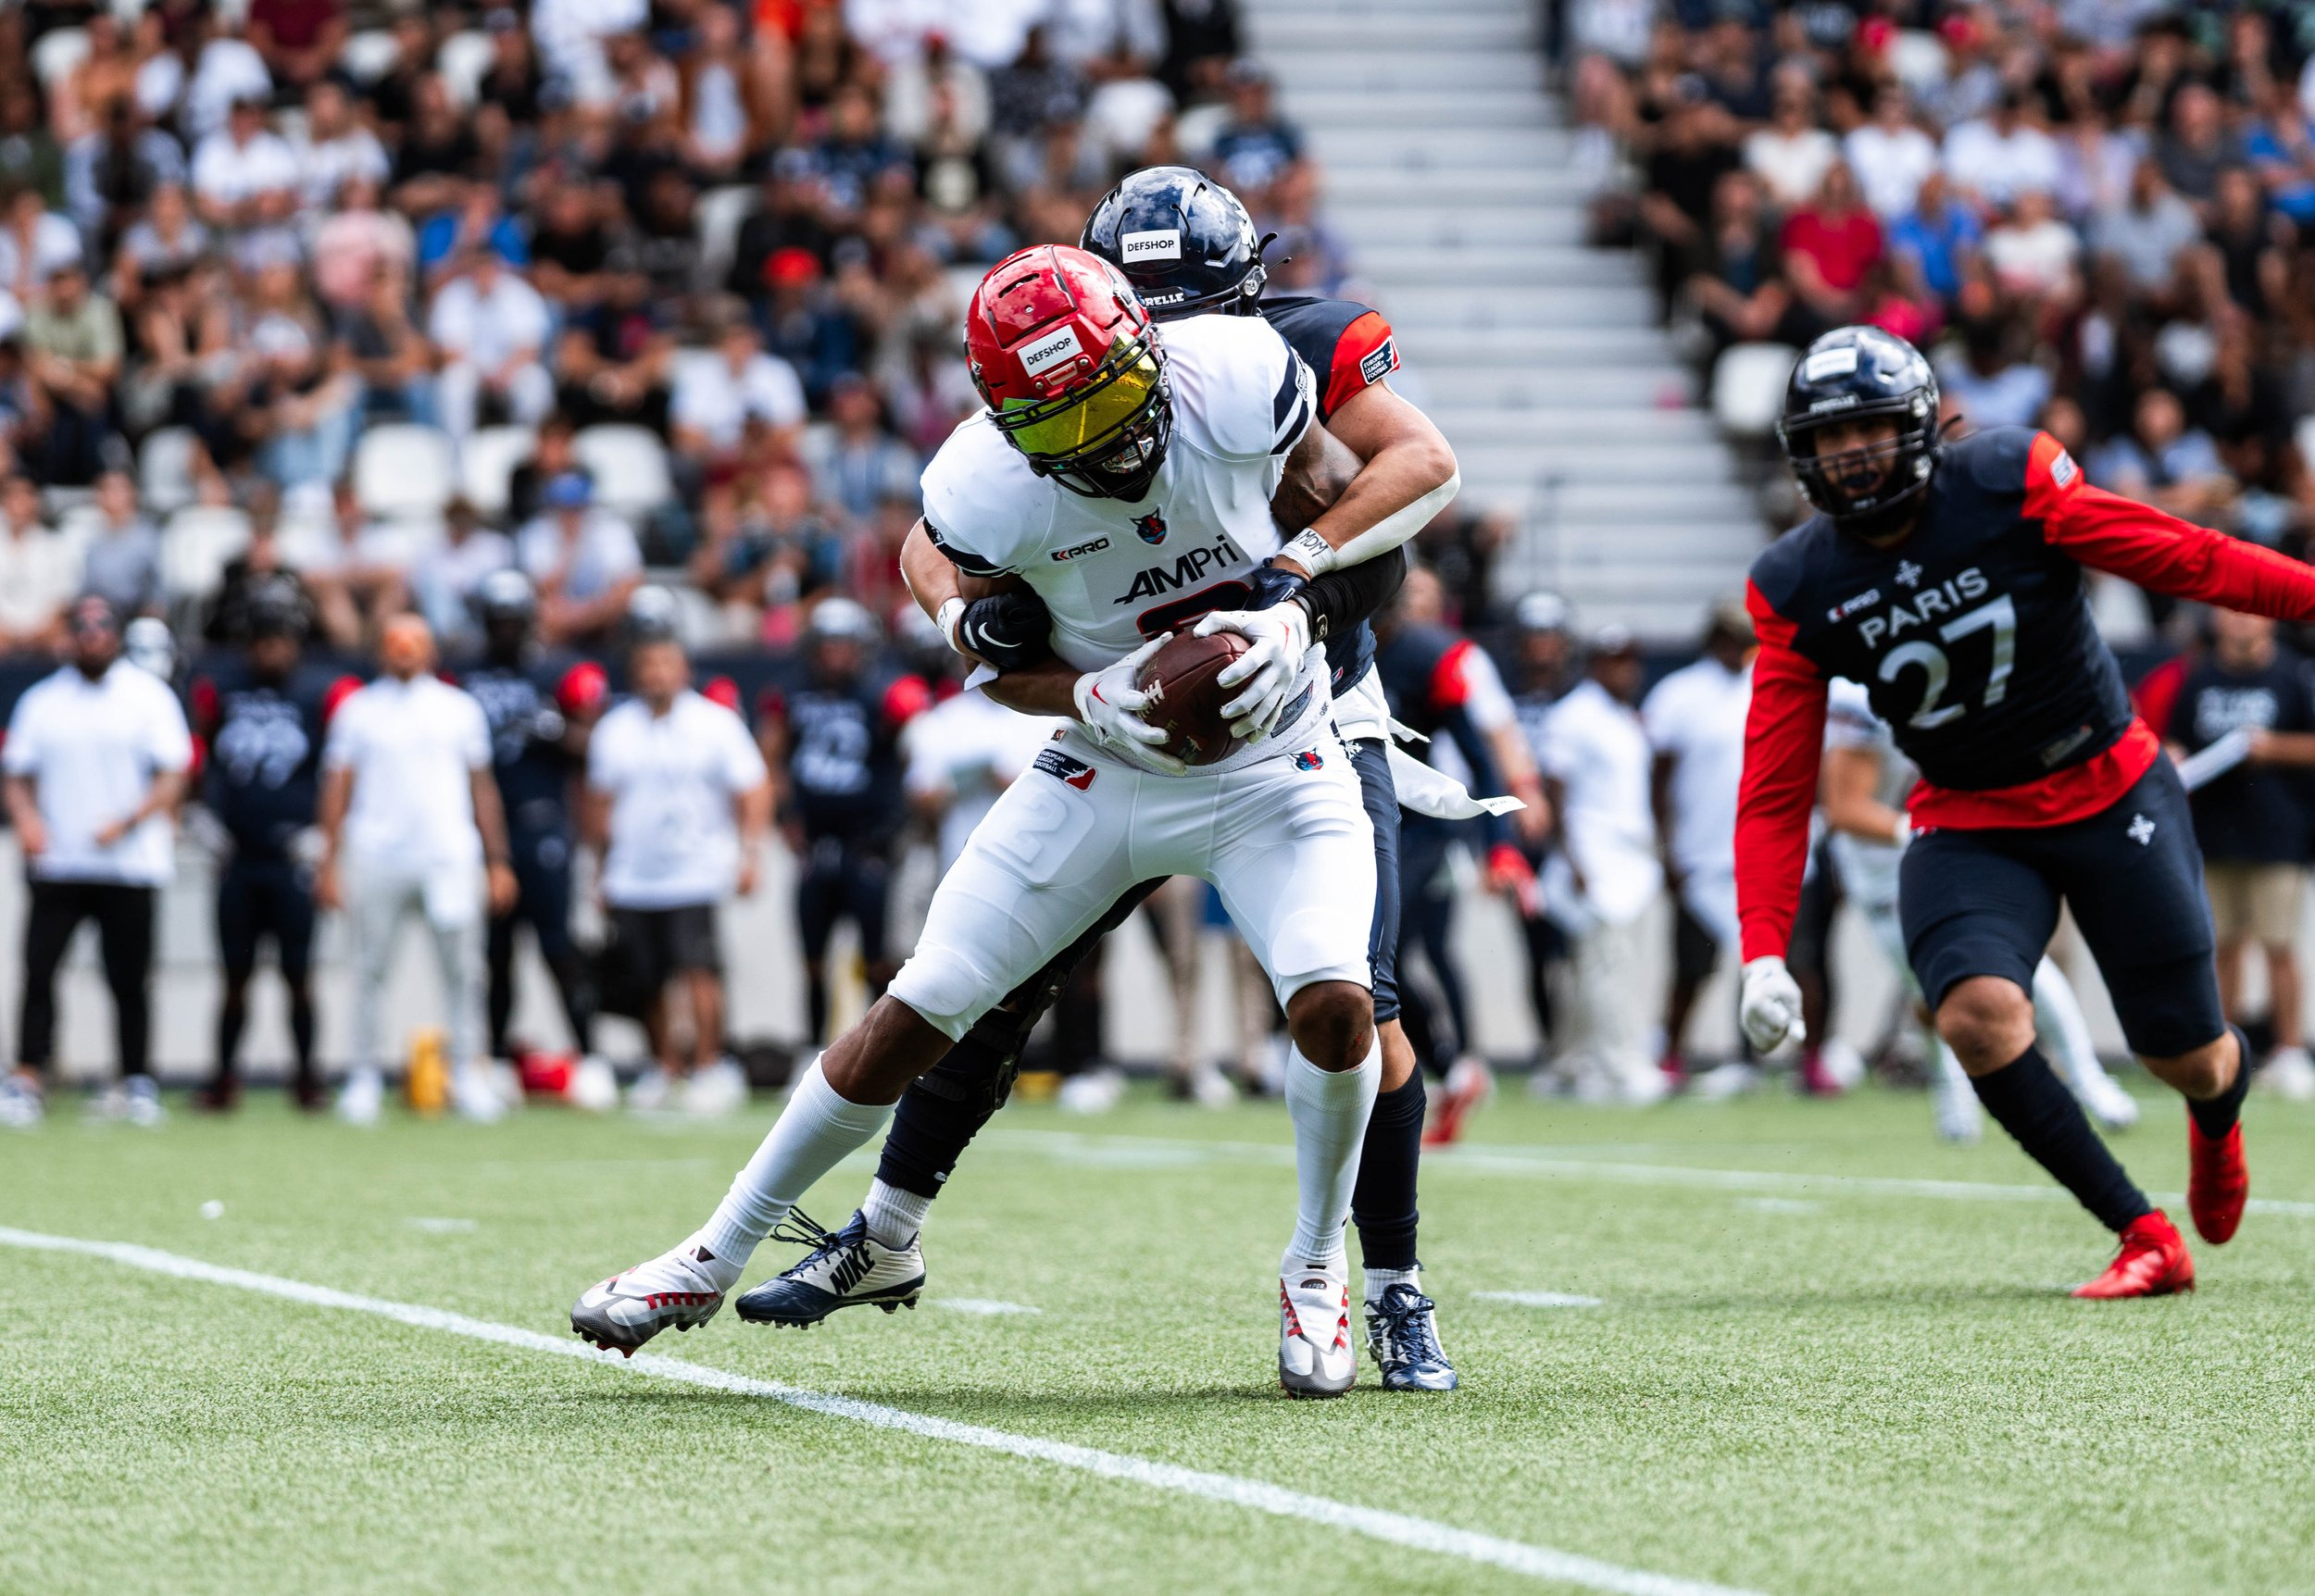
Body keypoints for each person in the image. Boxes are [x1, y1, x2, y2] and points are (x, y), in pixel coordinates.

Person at [571, 239, 1431, 1400]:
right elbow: (990, 663)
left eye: (1117, 403)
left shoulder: (1235, 373)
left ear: (1149, 347)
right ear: (1008, 423)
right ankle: (709, 1253)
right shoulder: (982, 489)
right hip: (1107, 763)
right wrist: (1080, 689)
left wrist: (1299, 599)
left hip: (1284, 757)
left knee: (1336, 1003)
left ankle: (1317, 1265)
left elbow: (1387, 523)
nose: (1105, 443)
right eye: (1063, 428)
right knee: (916, 1009)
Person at [1736, 325, 2315, 1300]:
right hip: (1969, 814)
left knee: (2186, 1054)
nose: (1854, 455)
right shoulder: (1798, 584)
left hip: (2107, 783)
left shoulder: (2008, 478)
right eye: (1832, 439)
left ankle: (2218, 1107)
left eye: (1870, 428)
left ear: (1920, 423)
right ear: (1802, 455)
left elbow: (2188, 559)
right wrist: (1762, 945)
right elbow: (1776, 784)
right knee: (1973, 1012)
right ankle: (2140, 1230)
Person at [1819, 678, 2140, 1142]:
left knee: (2015, 958)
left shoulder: (1977, 684)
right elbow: (1845, 810)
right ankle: (1953, 1090)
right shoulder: (1864, 703)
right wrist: (1929, 832)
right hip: (1886, 871)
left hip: (1956, 847)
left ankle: (2088, 1078)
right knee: (1930, 991)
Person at [317, 613, 519, 1126]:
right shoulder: (357, 710)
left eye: (414, 642)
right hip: (377, 855)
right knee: (367, 970)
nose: (404, 650)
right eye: (394, 641)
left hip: (447, 857)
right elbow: (337, 788)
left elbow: (482, 787)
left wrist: (497, 861)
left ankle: (467, 1076)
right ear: (381, 649)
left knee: (463, 972)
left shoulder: (459, 709)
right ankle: (363, 1076)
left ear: (431, 650)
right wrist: (328, 861)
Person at [0, 597, 193, 1128]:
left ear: (116, 635)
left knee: (128, 977)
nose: (92, 636)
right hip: (60, 863)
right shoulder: (43, 702)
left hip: (128, 864)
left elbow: (174, 774)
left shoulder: (147, 696)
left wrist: (130, 821)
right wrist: (28, 822)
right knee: (40, 972)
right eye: (81, 627)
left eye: (101, 627)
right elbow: (17, 774)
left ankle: (134, 1079)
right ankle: (27, 1076)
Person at [583, 609, 770, 1116]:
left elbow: (752, 789)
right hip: (634, 874)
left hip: (696, 869)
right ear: (636, 670)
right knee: (648, 978)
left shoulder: (716, 723)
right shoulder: (615, 729)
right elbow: (598, 805)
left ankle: (710, 1066)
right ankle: (664, 1067)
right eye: (649, 664)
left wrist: (749, 853)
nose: (658, 674)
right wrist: (598, 870)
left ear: (683, 668)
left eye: (667, 663)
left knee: (699, 970)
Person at [191, 578, 332, 1112]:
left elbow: (336, 770)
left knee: (300, 974)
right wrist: (201, 820)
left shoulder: (316, 692)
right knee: (233, 975)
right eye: (263, 637)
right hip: (238, 857)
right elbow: (197, 763)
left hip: (292, 856)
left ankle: (306, 1077)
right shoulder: (222, 689)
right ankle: (224, 1077)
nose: (273, 648)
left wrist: (324, 834)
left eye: (281, 637)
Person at [2164, 609, 2315, 1102]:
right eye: (2231, 614)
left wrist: (2271, 749)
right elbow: (2175, 738)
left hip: (2278, 837)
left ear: (2269, 622)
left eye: (2250, 614)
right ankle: (2222, 1048)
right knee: (2221, 947)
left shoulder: (2294, 673)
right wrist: (2173, 755)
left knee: (2279, 947)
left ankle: (2289, 1053)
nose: (2241, 623)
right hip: (2212, 834)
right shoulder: (2199, 674)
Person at [460, 570, 607, 1070]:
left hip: (541, 824)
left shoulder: (556, 672)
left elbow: (598, 744)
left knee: (557, 946)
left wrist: (557, 731)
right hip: (482, 832)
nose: (504, 629)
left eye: (511, 620)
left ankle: (590, 1057)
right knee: (496, 955)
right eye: (496, 620)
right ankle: (498, 1061)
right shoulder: (462, 675)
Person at [760, 597, 915, 1049]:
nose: (835, 655)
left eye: (843, 645)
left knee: (877, 957)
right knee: (811, 957)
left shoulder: (883, 694)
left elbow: (913, 758)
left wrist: (893, 824)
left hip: (867, 841)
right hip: (816, 841)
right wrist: (785, 816)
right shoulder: (790, 693)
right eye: (827, 646)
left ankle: (880, 1053)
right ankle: (811, 1050)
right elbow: (771, 756)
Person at [1534, 626, 1664, 1103]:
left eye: (1630, 662)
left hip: (1630, 859)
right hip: (1594, 857)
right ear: (1594, 666)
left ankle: (1568, 1066)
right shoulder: (1575, 716)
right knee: (1606, 967)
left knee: (1599, 967)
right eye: (1615, 662)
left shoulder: (1623, 716)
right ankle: (1620, 1067)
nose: (1625, 672)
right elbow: (1556, 794)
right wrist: (1573, 861)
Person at [1644, 598, 1755, 1089]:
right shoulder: (1679, 693)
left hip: (1759, 852)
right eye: (1732, 640)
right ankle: (1671, 1052)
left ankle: (1754, 1056)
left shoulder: (1768, 685)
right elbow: (1658, 783)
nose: (1741, 651)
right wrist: (1666, 850)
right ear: (1714, 641)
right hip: (1700, 853)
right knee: (1693, 966)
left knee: (1766, 963)